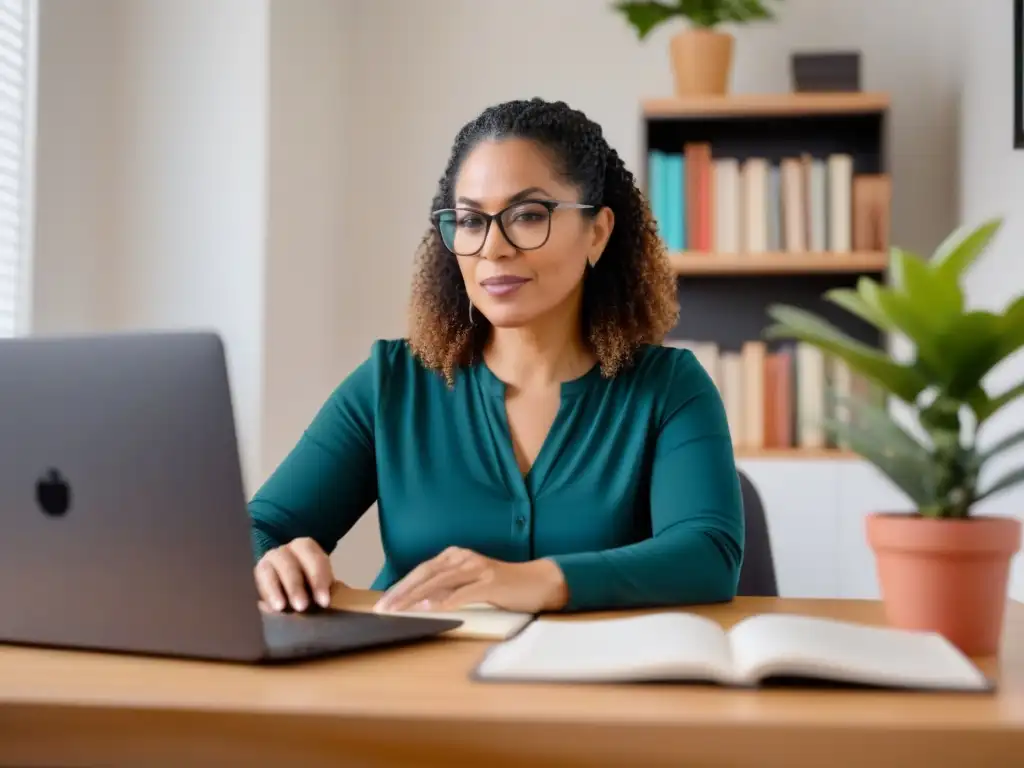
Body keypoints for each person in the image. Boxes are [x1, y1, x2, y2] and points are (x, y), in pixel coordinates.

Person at [249, 97, 745, 616]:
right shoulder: (391, 382)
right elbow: (259, 527)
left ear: (596, 232)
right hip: (411, 685)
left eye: (528, 215)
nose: (493, 248)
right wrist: (272, 562)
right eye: (469, 220)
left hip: (598, 689)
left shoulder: (668, 388)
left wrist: (539, 580)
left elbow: (707, 554)